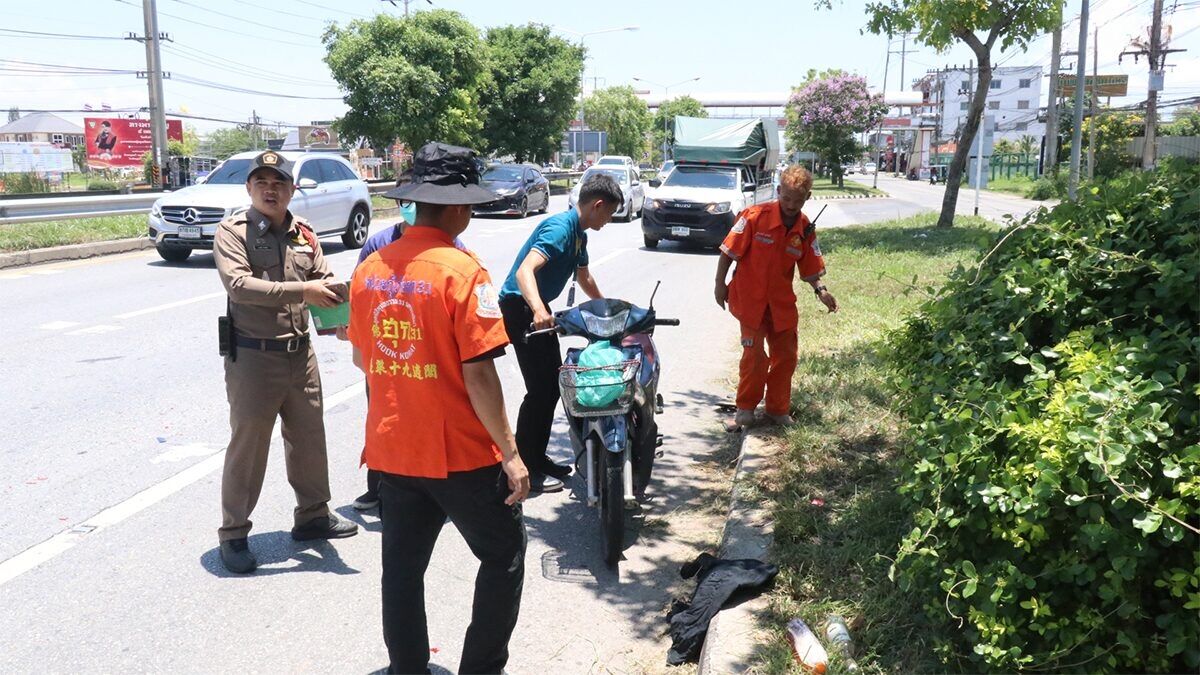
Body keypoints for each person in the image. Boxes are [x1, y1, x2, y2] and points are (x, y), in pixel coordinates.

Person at [347, 142, 530, 675]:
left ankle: (408, 670)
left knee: (401, 572)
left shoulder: (370, 269)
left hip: (394, 448)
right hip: (460, 455)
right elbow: (479, 373)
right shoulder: (463, 272)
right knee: (503, 556)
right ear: (456, 208)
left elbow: (364, 359)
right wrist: (511, 453)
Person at [212, 150, 358, 574]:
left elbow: (322, 283)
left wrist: (340, 317)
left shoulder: (304, 234)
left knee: (309, 437)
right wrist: (305, 292)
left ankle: (313, 516)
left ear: (292, 189)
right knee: (249, 446)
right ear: (249, 188)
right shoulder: (233, 231)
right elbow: (239, 285)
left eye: (278, 183)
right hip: (254, 356)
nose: (270, 190)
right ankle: (234, 532)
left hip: (300, 355)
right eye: (262, 182)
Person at [497, 173, 622, 493]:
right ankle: (525, 466)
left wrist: (608, 308)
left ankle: (535, 458)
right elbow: (525, 271)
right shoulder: (560, 229)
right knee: (540, 391)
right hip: (521, 308)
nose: (609, 220)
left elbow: (584, 277)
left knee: (551, 387)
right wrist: (539, 309)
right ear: (597, 205)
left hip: (536, 310)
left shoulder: (580, 235)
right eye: (609, 213)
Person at [342, 201, 466, 512]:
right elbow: (358, 293)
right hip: (386, 347)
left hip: (423, 350)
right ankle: (379, 488)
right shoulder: (378, 244)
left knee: (424, 418)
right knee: (384, 418)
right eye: (403, 203)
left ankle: (430, 488)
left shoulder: (453, 249)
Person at [714, 165, 839, 429]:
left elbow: (810, 267)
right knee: (755, 357)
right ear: (779, 191)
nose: (791, 205)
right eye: (787, 198)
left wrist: (821, 290)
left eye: (798, 200)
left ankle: (777, 410)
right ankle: (745, 410)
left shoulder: (804, 228)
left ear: (807, 197)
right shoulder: (754, 216)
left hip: (781, 305)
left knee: (786, 357)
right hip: (750, 301)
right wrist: (719, 285)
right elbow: (728, 252)